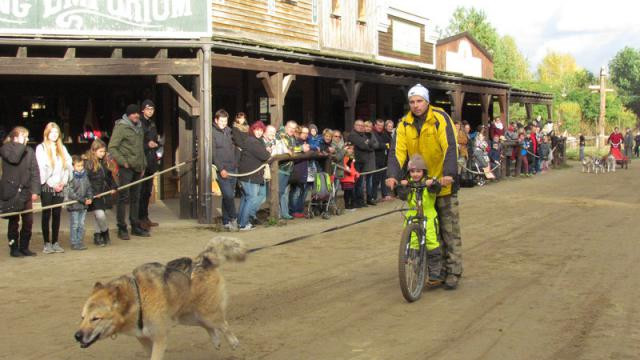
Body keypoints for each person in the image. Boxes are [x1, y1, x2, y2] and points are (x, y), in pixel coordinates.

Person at [386, 84, 462, 290]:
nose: (416, 105)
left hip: (441, 182)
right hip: (419, 184)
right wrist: (392, 176)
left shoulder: (439, 118)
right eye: (412, 101)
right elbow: (397, 152)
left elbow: (450, 146)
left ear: (427, 101)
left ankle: (452, 270)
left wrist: (448, 174)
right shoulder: (404, 124)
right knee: (425, 229)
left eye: (419, 101)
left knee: (448, 229)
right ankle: (429, 270)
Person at [395, 154, 443, 287]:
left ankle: (434, 274)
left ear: (424, 172)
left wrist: (432, 183)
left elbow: (437, 188)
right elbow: (402, 196)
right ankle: (418, 270)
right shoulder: (408, 182)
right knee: (413, 245)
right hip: (412, 216)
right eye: (412, 171)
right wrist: (402, 186)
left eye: (418, 171)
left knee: (432, 244)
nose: (415, 174)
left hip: (428, 216)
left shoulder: (428, 181)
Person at [108, 104, 149, 240]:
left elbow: (141, 148)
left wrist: (143, 165)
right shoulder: (121, 127)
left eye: (138, 113)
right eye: (133, 113)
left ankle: (135, 225)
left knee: (136, 198)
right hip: (126, 167)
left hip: (138, 167)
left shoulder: (139, 127)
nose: (136, 115)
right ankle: (121, 227)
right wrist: (122, 161)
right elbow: (112, 147)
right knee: (123, 197)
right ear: (128, 114)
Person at [1, 127, 40, 257]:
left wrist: (35, 190)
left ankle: (24, 247)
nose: (27, 139)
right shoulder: (6, 149)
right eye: (25, 136)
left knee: (28, 221)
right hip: (12, 191)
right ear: (16, 137)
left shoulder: (29, 151)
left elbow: (35, 171)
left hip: (26, 191)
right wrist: (19, 145)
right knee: (13, 221)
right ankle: (13, 247)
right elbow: (14, 158)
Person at [36, 122, 72, 254]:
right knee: (47, 214)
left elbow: (68, 165)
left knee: (57, 214)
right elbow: (41, 168)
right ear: (47, 133)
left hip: (60, 185)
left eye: (56, 132)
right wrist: (52, 184)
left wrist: (63, 182)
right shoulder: (41, 148)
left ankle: (55, 241)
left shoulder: (62, 148)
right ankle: (47, 243)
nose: (54, 135)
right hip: (47, 186)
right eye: (52, 132)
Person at [233, 121, 270, 231]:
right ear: (252, 130)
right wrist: (268, 151)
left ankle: (240, 222)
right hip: (250, 175)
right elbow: (264, 156)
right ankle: (244, 224)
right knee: (251, 198)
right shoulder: (253, 142)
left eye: (261, 130)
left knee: (246, 198)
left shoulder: (251, 141)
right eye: (257, 130)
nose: (259, 132)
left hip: (247, 174)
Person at [84, 139, 117, 247]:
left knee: (98, 216)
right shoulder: (88, 164)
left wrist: (113, 187)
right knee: (100, 215)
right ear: (94, 151)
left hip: (103, 194)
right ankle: (105, 233)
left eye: (104, 151)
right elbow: (86, 181)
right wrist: (91, 193)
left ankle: (97, 236)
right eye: (100, 152)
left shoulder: (104, 162)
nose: (103, 154)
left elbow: (109, 177)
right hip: (93, 195)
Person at [212, 109, 239, 231]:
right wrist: (221, 168)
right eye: (221, 120)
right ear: (216, 120)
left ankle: (226, 221)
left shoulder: (229, 131)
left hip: (233, 168)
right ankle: (234, 218)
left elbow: (236, 147)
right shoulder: (212, 132)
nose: (223, 123)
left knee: (228, 196)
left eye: (225, 120)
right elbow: (213, 154)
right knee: (228, 195)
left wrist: (236, 163)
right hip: (222, 169)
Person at [138, 99, 159, 230]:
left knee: (147, 192)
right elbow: (137, 142)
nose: (150, 111)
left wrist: (156, 144)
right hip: (142, 160)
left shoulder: (152, 124)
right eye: (148, 109)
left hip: (151, 160)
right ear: (143, 110)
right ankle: (140, 219)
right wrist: (147, 145)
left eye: (152, 109)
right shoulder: (139, 124)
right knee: (140, 192)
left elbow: (154, 138)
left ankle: (145, 216)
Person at [65, 155, 93, 250]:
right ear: (73, 166)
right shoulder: (71, 177)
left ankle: (80, 241)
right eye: (78, 166)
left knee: (81, 224)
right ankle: (74, 242)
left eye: (81, 165)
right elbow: (71, 193)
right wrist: (83, 199)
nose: (80, 168)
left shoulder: (85, 176)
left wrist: (90, 197)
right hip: (74, 206)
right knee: (75, 224)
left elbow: (89, 188)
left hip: (83, 206)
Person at [348, 119, 375, 207]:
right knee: (355, 183)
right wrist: (367, 145)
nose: (360, 127)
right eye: (358, 125)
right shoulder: (352, 135)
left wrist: (367, 144)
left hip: (363, 162)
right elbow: (362, 145)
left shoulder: (363, 135)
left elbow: (371, 143)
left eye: (362, 125)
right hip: (356, 162)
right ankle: (355, 201)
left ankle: (360, 201)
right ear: (354, 126)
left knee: (360, 183)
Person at [372, 119, 391, 202]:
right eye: (379, 125)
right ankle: (373, 196)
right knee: (375, 180)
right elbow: (375, 145)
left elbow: (390, 144)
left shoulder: (384, 134)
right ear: (375, 125)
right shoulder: (372, 134)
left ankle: (385, 194)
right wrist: (384, 145)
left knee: (384, 178)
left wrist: (383, 145)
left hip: (383, 159)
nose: (380, 127)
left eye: (381, 126)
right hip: (375, 159)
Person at [339, 142, 359, 211]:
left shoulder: (350, 158)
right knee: (348, 193)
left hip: (351, 179)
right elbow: (347, 169)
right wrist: (353, 172)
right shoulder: (345, 158)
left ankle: (351, 205)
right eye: (349, 149)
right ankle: (347, 206)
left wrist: (356, 172)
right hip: (346, 179)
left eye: (352, 149)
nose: (351, 150)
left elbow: (352, 168)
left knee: (351, 193)